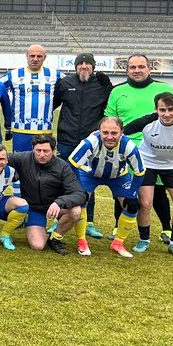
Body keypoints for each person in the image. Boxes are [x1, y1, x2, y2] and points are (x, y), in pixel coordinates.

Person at [104, 54, 173, 244]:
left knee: (159, 189)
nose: (137, 70)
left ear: (149, 68)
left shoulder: (164, 89)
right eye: (132, 67)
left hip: (158, 149)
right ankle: (117, 225)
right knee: (123, 187)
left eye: (141, 66)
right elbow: (110, 119)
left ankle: (167, 229)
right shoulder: (117, 91)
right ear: (127, 70)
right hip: (125, 148)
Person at [0, 134, 86, 254]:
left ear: (53, 151)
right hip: (34, 209)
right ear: (33, 149)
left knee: (75, 211)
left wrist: (59, 202)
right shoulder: (23, 158)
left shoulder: (62, 166)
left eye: (46, 151)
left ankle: (55, 238)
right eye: (38, 150)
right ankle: (30, 222)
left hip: (55, 207)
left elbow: (79, 193)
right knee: (37, 246)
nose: (41, 154)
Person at [123, 93, 173, 258]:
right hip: (147, 164)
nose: (167, 114)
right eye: (162, 110)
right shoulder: (146, 121)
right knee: (145, 203)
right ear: (156, 110)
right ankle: (144, 240)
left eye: (170, 109)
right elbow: (122, 132)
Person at [53, 53, 113, 240]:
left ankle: (89, 222)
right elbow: (53, 104)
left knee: (87, 181)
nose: (84, 66)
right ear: (75, 66)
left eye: (88, 63)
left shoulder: (101, 85)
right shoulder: (65, 83)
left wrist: (109, 85)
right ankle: (60, 218)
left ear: (93, 67)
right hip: (67, 140)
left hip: (92, 142)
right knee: (63, 179)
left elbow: (111, 106)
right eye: (81, 63)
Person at [68, 117, 145, 258]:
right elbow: (72, 163)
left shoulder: (129, 146)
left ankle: (118, 243)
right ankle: (81, 240)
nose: (109, 137)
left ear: (122, 132)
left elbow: (140, 172)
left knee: (132, 205)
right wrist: (77, 188)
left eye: (114, 133)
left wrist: (132, 194)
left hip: (118, 176)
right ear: (99, 131)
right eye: (105, 132)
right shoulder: (90, 142)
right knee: (81, 200)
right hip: (89, 174)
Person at [2, 44, 61, 153]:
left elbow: (72, 84)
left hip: (44, 130)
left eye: (39, 56)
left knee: (43, 164)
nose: (35, 59)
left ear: (45, 57)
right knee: (21, 164)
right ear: (27, 56)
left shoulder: (54, 74)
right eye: (32, 56)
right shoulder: (14, 74)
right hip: (20, 130)